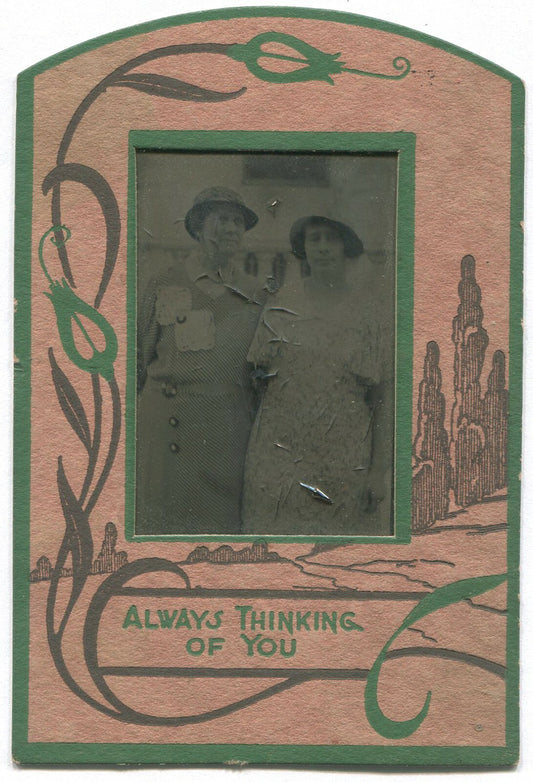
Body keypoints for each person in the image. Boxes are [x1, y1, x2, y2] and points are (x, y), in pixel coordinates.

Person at [242, 215, 393, 536]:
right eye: (315, 240)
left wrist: (379, 470)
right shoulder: (283, 301)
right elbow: (255, 379)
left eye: (331, 239)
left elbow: (381, 398)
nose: (323, 248)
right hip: (280, 455)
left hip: (343, 458)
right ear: (304, 249)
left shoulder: (368, 312)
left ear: (345, 247)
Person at [136, 187, 268, 534]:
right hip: (168, 431)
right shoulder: (164, 283)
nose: (231, 229)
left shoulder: (256, 294)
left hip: (225, 434)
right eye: (221, 219)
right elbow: (137, 360)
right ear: (197, 226)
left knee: (218, 531)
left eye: (238, 222)